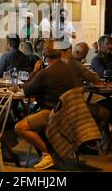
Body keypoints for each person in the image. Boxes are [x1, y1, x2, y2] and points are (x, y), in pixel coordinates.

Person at [15, 40, 76, 170]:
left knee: (20, 127)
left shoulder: (46, 73)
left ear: (44, 54)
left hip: (52, 113)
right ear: (60, 53)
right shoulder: (68, 69)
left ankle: (49, 153)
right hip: (68, 112)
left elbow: (26, 90)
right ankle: (48, 154)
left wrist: (35, 71)